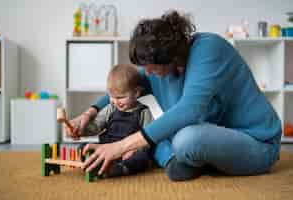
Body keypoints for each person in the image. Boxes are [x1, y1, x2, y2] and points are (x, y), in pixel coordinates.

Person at [72, 10, 282, 181]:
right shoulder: (162, 69)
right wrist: (89, 113)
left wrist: (121, 146)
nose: (147, 72)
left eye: (150, 67)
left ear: (170, 57)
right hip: (213, 139)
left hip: (257, 143)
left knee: (186, 139)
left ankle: (183, 159)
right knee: (156, 133)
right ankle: (180, 162)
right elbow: (127, 86)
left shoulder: (209, 48)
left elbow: (189, 110)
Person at [66, 64, 154, 177]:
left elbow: (147, 138)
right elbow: (96, 126)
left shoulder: (144, 111)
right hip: (106, 145)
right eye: (112, 97)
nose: (115, 102)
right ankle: (99, 163)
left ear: (136, 93)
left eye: (120, 97)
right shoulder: (110, 108)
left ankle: (121, 168)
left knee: (142, 158)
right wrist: (82, 130)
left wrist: (135, 149)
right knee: (85, 147)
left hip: (128, 149)